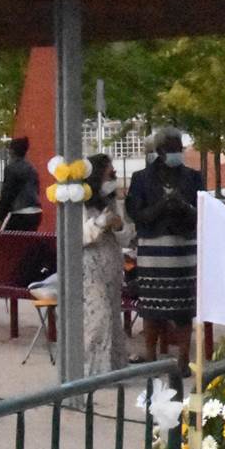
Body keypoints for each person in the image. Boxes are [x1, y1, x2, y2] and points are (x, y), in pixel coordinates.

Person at [126, 128, 206, 361]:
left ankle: (183, 359)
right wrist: (163, 204)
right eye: (171, 149)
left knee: (184, 308)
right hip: (153, 251)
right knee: (151, 309)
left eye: (179, 149)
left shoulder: (193, 177)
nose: (176, 153)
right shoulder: (141, 178)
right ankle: (151, 358)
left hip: (184, 250)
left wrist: (183, 205)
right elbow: (137, 214)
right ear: (160, 151)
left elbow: (203, 210)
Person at [81, 154, 132, 377]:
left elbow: (127, 237)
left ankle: (114, 368)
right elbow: (77, 236)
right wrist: (100, 223)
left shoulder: (114, 202)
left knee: (112, 317)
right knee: (98, 318)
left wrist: (119, 225)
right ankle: (92, 371)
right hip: (89, 268)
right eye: (109, 174)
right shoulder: (78, 203)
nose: (113, 178)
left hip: (111, 265)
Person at [0, 136, 42, 232]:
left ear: (12, 151)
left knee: (4, 241)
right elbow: (37, 190)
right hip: (36, 212)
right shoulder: (32, 168)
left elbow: (7, 194)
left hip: (19, 212)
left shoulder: (11, 168)